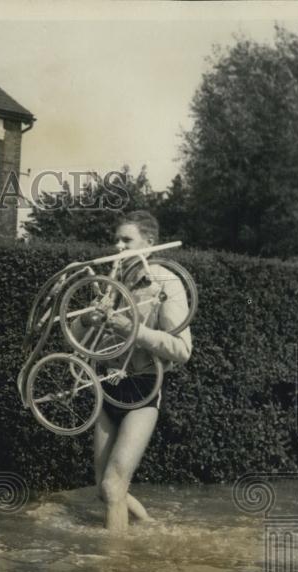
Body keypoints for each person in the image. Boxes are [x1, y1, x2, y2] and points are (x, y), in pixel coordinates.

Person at [83, 211, 193, 533]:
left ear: (150, 243)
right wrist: (87, 321)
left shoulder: (165, 281)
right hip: (107, 386)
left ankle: (113, 571)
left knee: (113, 486)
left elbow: (181, 349)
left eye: (126, 240)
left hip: (143, 389)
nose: (117, 246)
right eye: (116, 239)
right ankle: (154, 530)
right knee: (106, 490)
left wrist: (131, 328)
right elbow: (84, 340)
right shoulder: (111, 283)